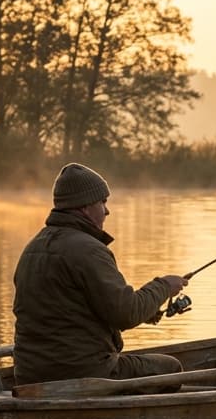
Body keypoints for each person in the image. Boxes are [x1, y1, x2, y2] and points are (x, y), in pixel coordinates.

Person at [11, 162, 189, 386]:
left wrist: (150, 307)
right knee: (171, 368)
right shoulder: (90, 250)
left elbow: (75, 311)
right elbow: (125, 314)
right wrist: (164, 286)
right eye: (103, 202)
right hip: (83, 373)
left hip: (28, 376)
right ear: (85, 206)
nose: (107, 210)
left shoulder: (32, 248)